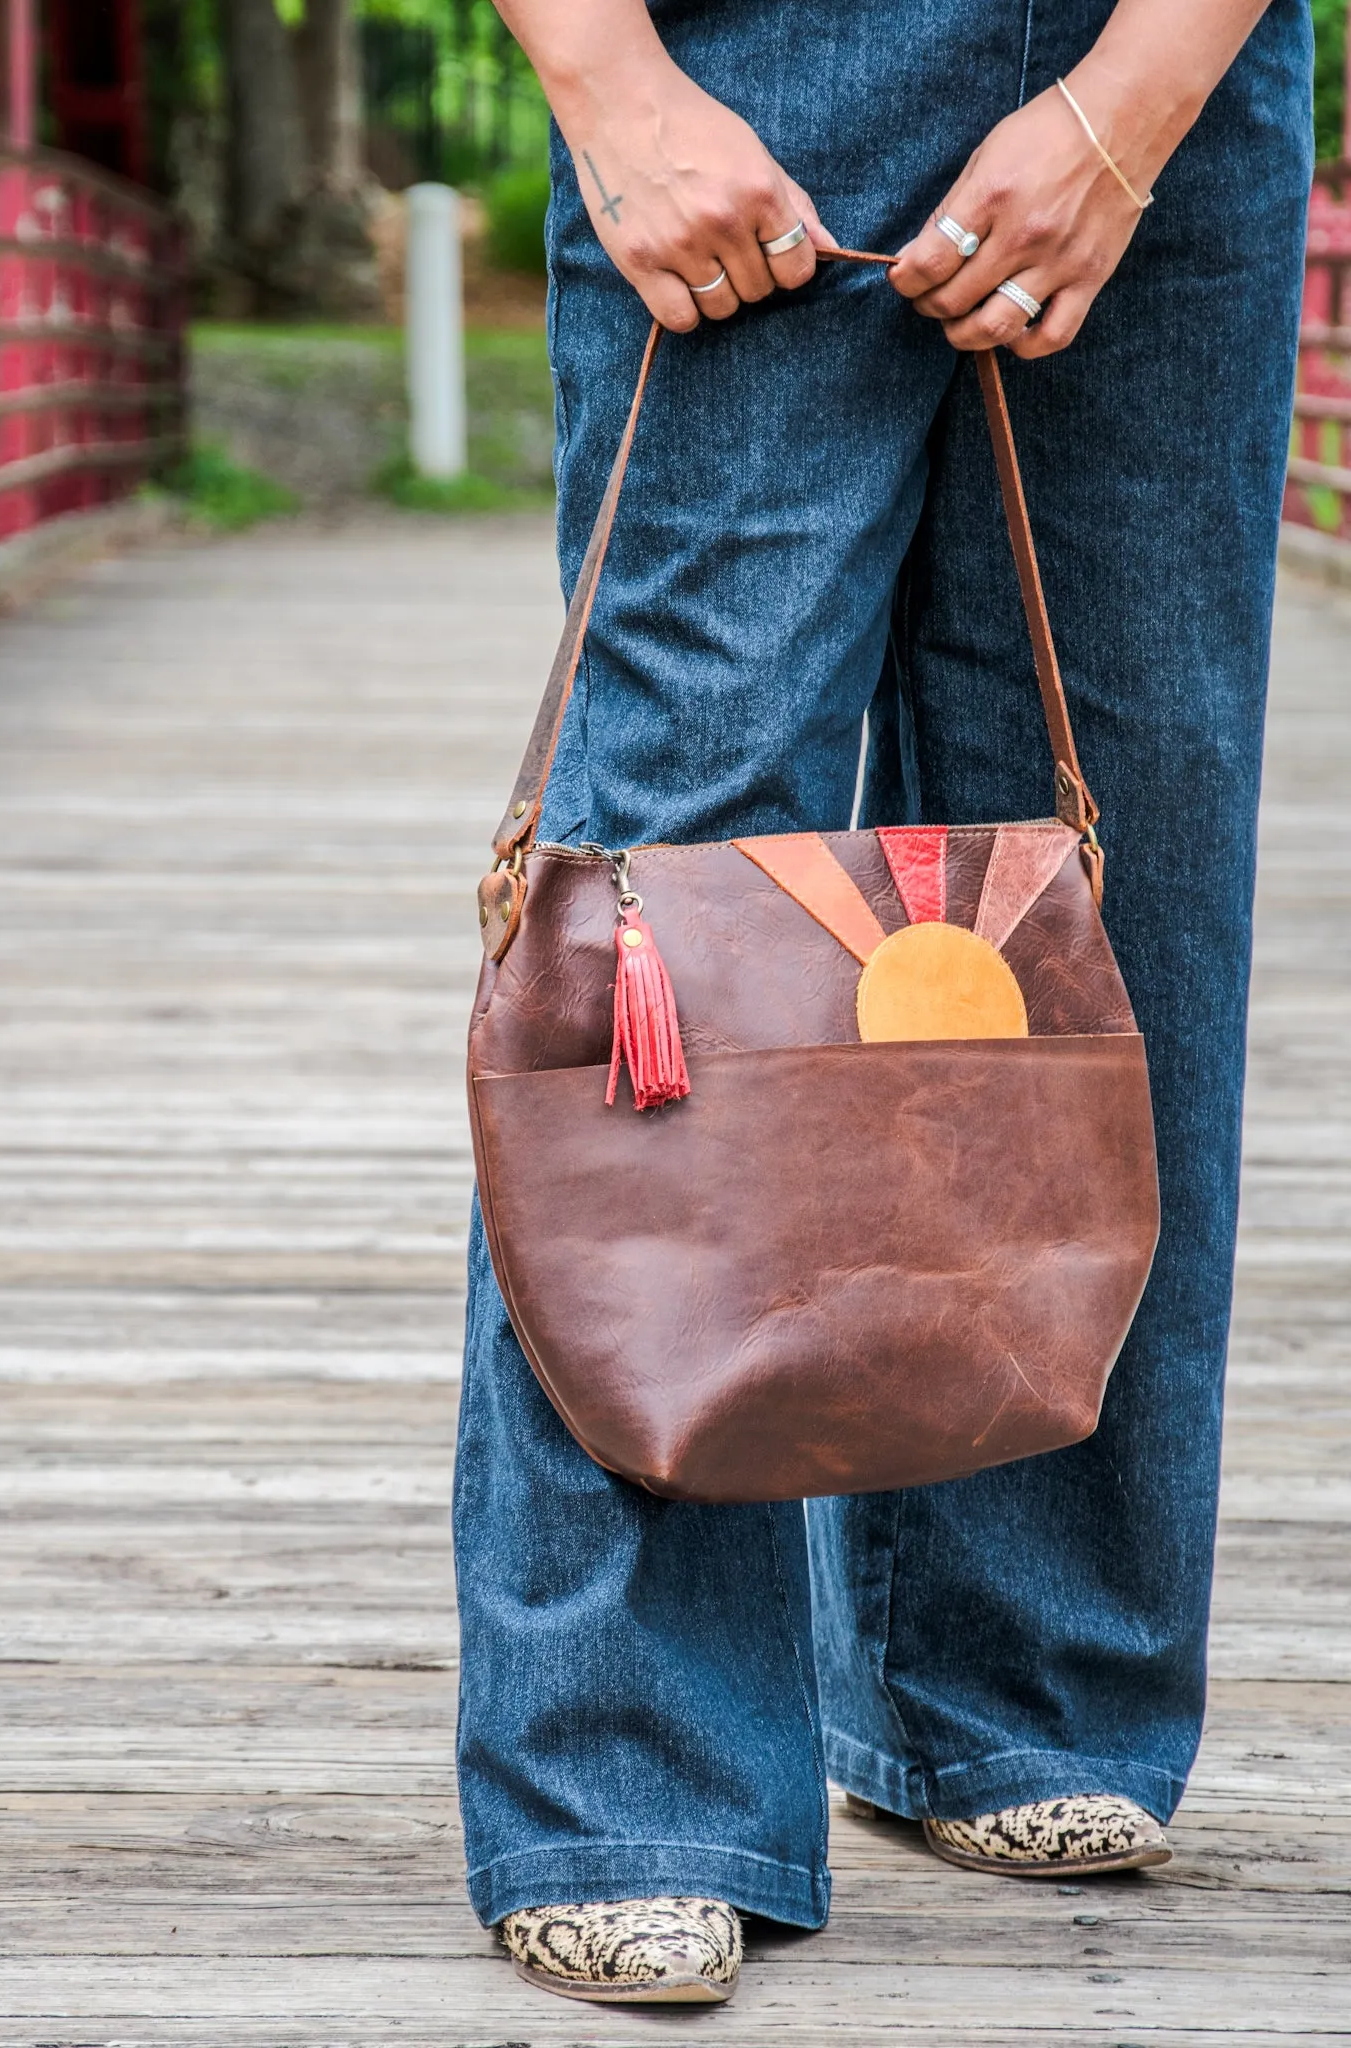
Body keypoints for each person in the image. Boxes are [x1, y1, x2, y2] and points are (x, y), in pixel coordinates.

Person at [455, 0, 1312, 2006]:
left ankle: (1023, 1683)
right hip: (751, 67)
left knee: (1107, 879)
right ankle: (632, 1767)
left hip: (1173, 72)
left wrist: (1138, 100)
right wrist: (604, 75)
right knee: (667, 894)